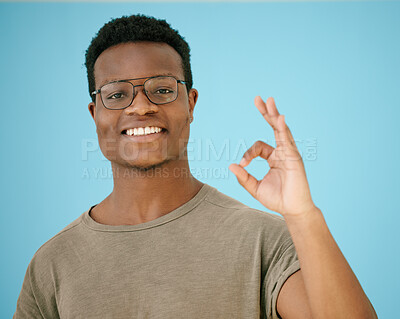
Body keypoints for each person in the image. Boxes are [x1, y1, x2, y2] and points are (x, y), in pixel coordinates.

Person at [13, 14, 377, 319]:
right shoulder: (51, 264)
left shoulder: (264, 239)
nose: (140, 107)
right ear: (96, 114)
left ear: (191, 103)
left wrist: (302, 215)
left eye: (161, 89)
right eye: (117, 94)